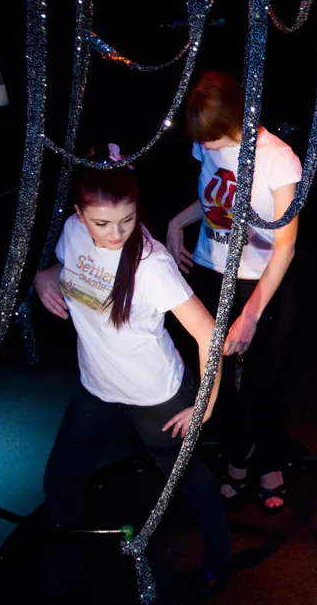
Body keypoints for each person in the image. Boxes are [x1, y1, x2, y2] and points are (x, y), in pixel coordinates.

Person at [33, 155, 231, 601]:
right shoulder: (72, 232)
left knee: (190, 483)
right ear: (80, 214)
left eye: (126, 219)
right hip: (96, 388)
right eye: (102, 223)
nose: (116, 233)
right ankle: (66, 573)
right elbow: (68, 270)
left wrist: (204, 403)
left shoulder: (152, 266)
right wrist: (46, 277)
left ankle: (220, 557)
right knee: (59, 482)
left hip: (155, 396)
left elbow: (209, 334)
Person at [166, 70, 301, 513]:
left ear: (236, 122)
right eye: (201, 141)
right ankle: (238, 453)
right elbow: (214, 201)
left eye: (213, 139)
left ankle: (270, 461)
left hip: (263, 283)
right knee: (216, 376)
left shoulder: (276, 159)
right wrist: (177, 223)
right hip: (211, 272)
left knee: (265, 379)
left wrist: (251, 314)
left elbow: (285, 245)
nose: (205, 148)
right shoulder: (207, 142)